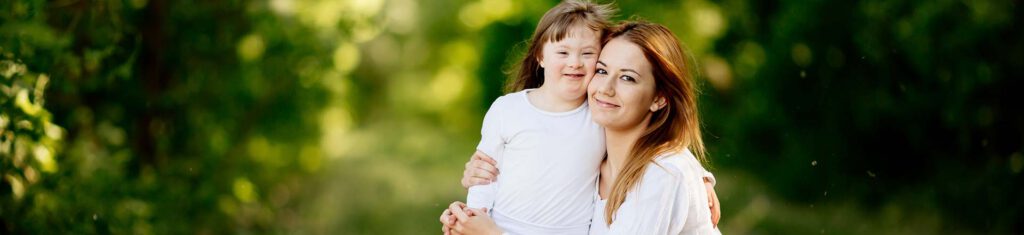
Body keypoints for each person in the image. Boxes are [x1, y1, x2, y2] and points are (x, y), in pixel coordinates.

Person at [447, 21, 721, 234]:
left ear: (659, 98)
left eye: (627, 78)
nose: (605, 88)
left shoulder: (664, 176)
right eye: (601, 70)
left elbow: (670, 168)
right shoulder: (598, 152)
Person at [450, 0, 617, 234]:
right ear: (540, 56)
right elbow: (482, 175)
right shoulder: (508, 109)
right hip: (500, 228)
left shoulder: (600, 117)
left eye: (588, 53)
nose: (575, 62)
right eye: (562, 52)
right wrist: (472, 217)